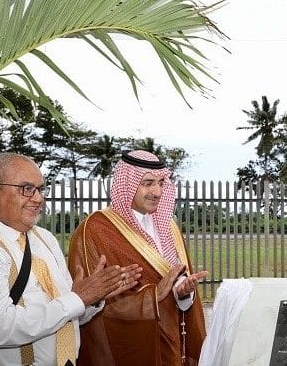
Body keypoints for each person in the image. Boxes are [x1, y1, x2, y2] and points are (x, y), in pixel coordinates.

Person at [0, 152, 141, 366]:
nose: (38, 198)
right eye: (27, 189)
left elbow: (66, 316)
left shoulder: (44, 239)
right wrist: (78, 298)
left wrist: (92, 298)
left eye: (40, 189)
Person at [68, 150, 208, 366]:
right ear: (127, 183)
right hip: (131, 350)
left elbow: (173, 279)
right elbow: (87, 302)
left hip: (172, 343)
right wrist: (153, 296)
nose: (157, 191)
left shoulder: (169, 227)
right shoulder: (95, 230)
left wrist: (182, 292)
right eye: (148, 183)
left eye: (161, 183)